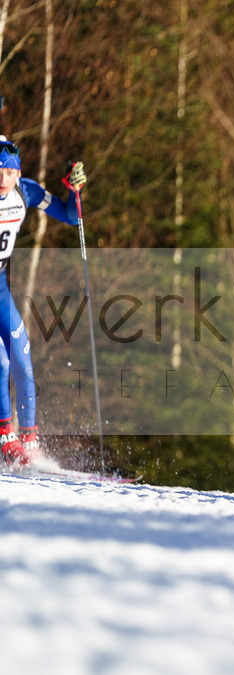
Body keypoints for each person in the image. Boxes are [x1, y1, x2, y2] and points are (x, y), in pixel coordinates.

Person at [0, 134, 86, 470]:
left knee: (22, 359)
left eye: (8, 172)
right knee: (1, 364)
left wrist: (73, 190)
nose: (2, 179)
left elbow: (70, 216)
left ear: (18, 173)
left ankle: (29, 441)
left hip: (0, 291)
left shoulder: (26, 191)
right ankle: (6, 438)